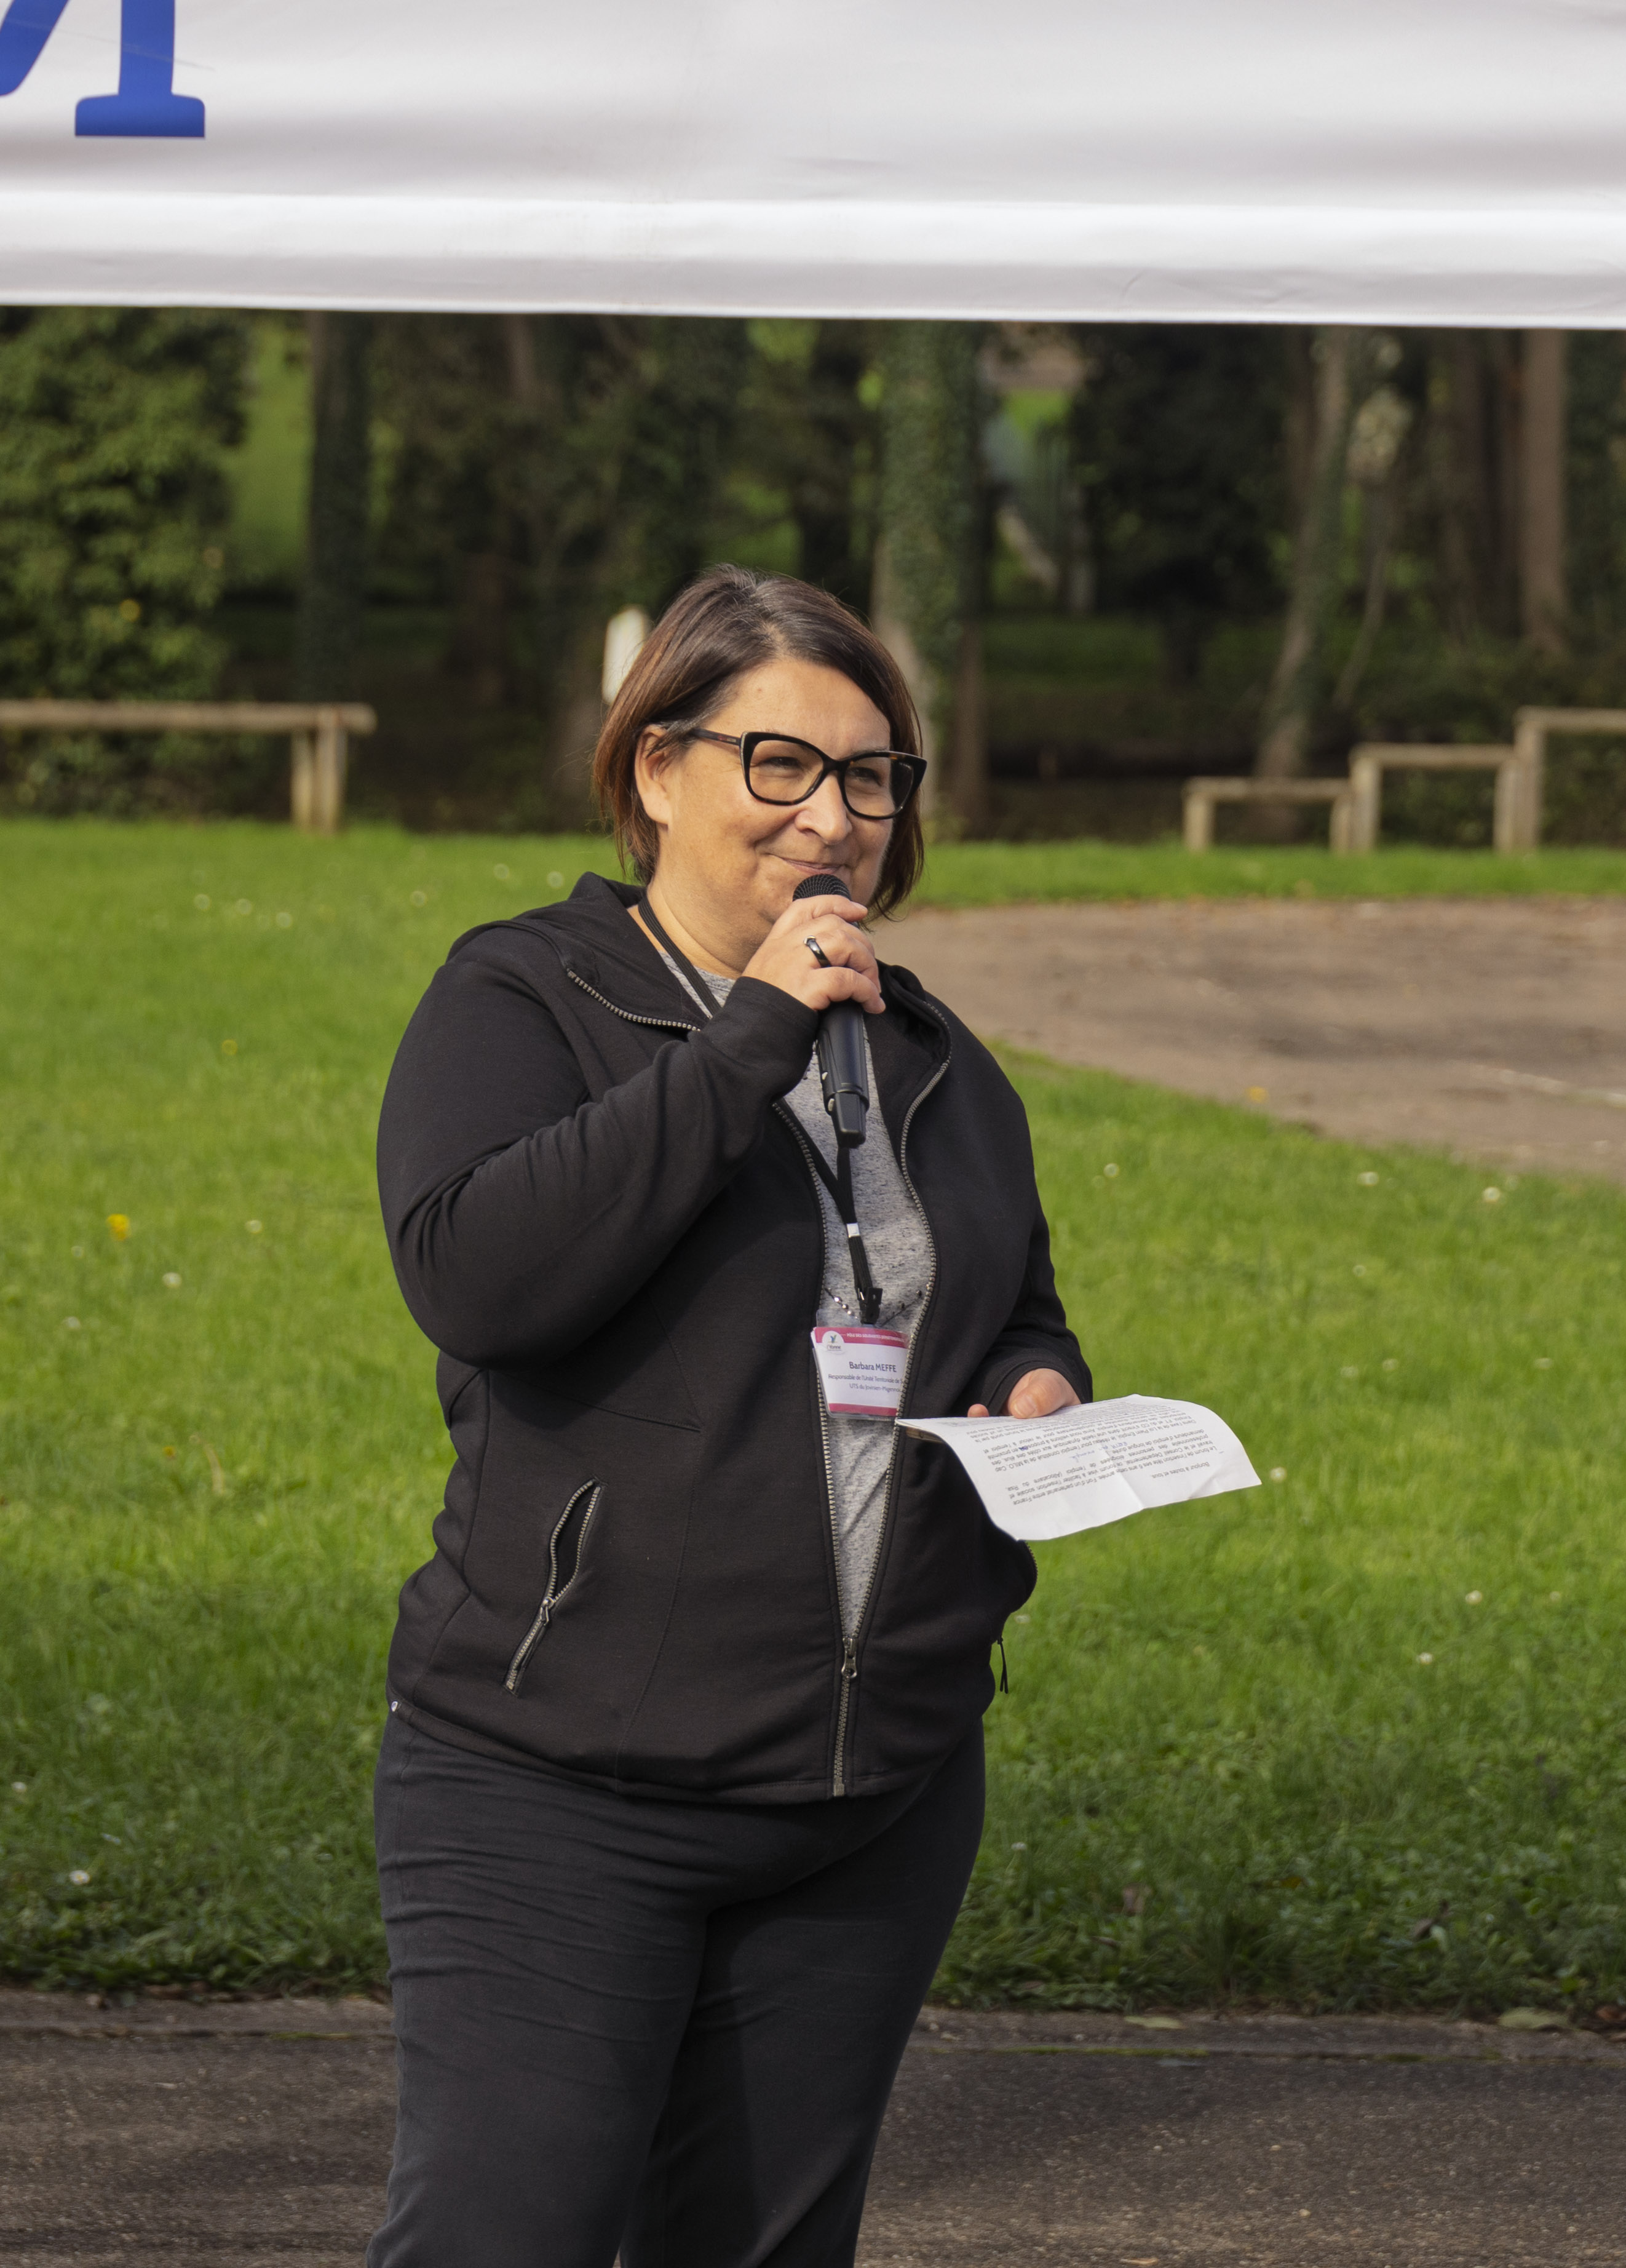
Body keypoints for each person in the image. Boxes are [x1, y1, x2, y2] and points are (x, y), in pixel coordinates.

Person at [367, 566, 1089, 2264]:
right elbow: (482, 1280)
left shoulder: (928, 1056)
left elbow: (1010, 1296)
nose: (831, 816)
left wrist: (1037, 1387)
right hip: (561, 1787)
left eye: (869, 774)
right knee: (502, 2241)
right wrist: (756, 1025)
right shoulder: (527, 1000)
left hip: (868, 1793)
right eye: (781, 764)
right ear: (654, 771)